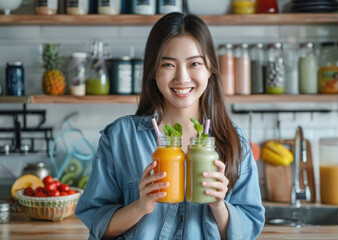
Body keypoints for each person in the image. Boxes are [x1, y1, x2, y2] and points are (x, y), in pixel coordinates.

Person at [75, 12, 265, 240]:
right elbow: (97, 226)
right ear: (154, 72)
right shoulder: (120, 138)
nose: (182, 78)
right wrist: (140, 206)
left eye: (194, 63)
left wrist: (218, 205)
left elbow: (248, 231)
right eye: (168, 64)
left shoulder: (235, 141)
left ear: (210, 69)